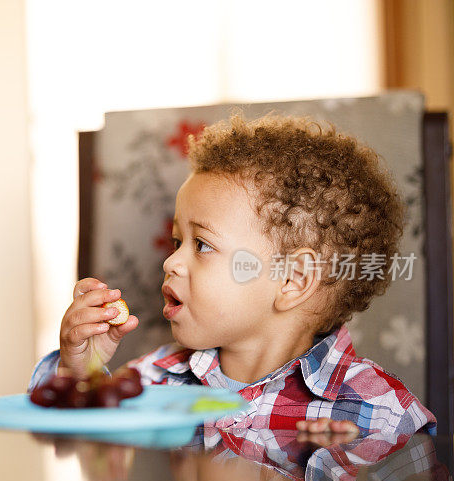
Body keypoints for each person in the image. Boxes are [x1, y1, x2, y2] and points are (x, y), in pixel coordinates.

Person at [30, 114, 436, 435]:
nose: (171, 263)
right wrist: (78, 371)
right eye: (176, 242)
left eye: (202, 245)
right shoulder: (153, 382)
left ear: (294, 280)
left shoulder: (379, 413)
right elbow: (74, 454)